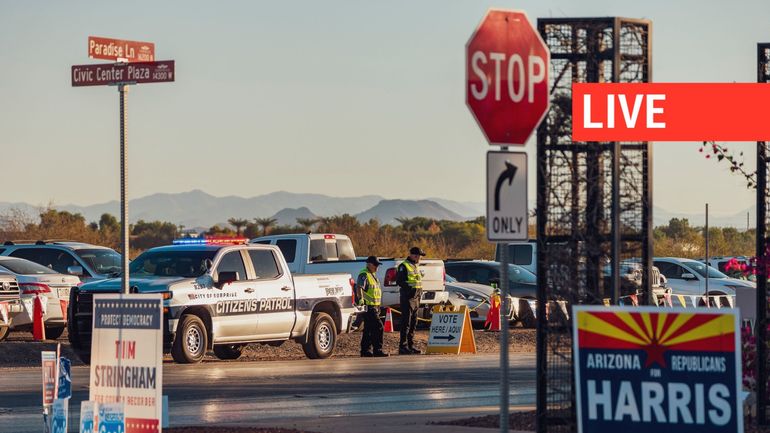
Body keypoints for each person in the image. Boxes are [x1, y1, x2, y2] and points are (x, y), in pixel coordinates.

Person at [357, 256, 388, 357]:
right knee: (379, 327)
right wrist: (361, 299)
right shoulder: (364, 274)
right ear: (369, 264)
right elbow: (359, 287)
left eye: (378, 265)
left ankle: (365, 350)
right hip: (368, 306)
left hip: (374, 306)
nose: (377, 267)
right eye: (375, 265)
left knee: (369, 329)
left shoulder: (373, 275)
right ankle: (377, 350)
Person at [396, 246, 425, 355]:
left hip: (416, 298)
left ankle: (410, 345)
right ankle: (403, 346)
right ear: (413, 255)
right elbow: (399, 281)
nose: (420, 258)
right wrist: (410, 290)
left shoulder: (414, 266)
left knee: (413, 322)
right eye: (419, 256)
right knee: (406, 323)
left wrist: (419, 291)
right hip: (408, 298)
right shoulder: (404, 266)